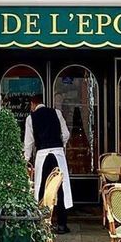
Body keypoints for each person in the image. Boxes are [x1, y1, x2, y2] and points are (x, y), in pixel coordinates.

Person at [24, 93, 73, 234]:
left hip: (42, 155)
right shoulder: (56, 113)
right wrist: (60, 144)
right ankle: (62, 224)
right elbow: (66, 134)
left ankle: (41, 223)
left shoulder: (30, 118)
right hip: (57, 154)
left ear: (33, 104)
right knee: (60, 187)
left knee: (41, 189)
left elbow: (29, 142)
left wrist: (26, 159)